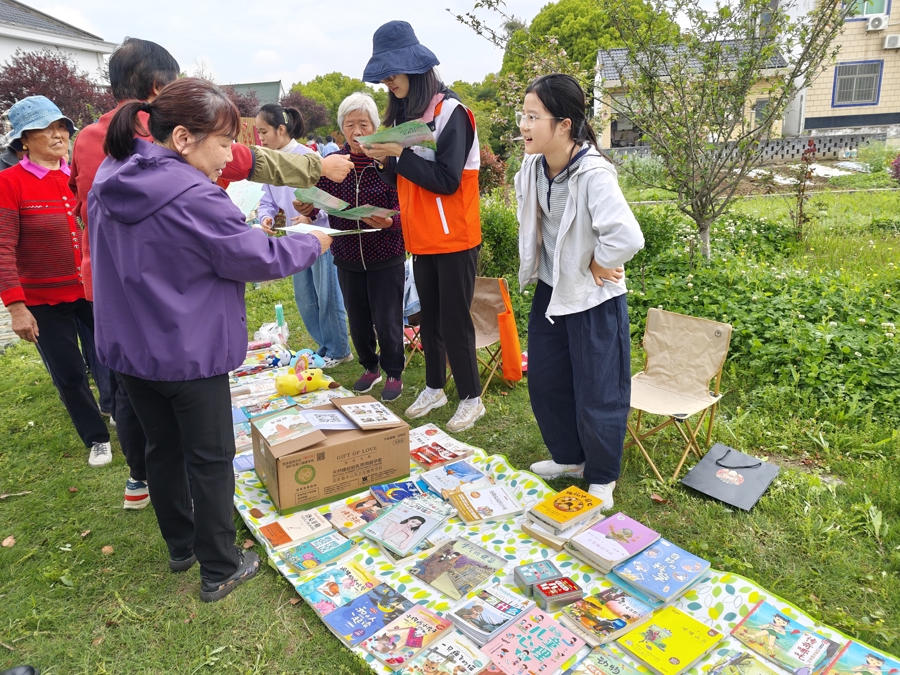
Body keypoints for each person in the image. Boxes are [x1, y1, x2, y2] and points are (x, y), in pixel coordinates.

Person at [88, 78, 341, 602]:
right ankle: (220, 567)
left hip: (131, 351)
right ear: (183, 138)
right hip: (188, 351)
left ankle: (181, 546)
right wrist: (313, 242)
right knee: (209, 458)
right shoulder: (192, 194)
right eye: (224, 143)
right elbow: (254, 256)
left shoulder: (111, 176)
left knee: (162, 450)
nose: (230, 157)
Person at [513, 74, 644, 508]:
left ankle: (602, 475)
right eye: (523, 115)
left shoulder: (593, 174)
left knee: (598, 390)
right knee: (547, 381)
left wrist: (598, 259)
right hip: (552, 292)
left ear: (564, 124)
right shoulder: (533, 168)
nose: (524, 125)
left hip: (592, 298)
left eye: (533, 117)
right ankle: (570, 458)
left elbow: (627, 237)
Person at [362, 20, 485, 432]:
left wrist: (400, 155)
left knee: (454, 320)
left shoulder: (452, 112)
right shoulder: (405, 116)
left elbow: (448, 181)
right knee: (427, 318)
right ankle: (435, 387)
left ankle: (472, 398)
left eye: (391, 73)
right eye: (383, 77)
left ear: (415, 69)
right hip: (421, 236)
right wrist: (385, 161)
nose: (387, 81)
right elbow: (401, 180)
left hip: (455, 237)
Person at [0, 96, 113, 467]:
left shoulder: (80, 175)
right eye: (45, 129)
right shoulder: (9, 182)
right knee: (69, 372)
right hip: (43, 300)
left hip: (90, 289)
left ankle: (115, 408)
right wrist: (16, 307)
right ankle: (96, 437)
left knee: (110, 355)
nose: (57, 134)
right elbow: (3, 247)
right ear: (24, 140)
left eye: (61, 126)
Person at [293, 93, 405, 401]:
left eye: (363, 124)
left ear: (375, 127)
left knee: (387, 318)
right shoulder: (335, 163)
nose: (356, 131)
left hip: (386, 252)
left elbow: (407, 208)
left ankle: (394, 371)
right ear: (341, 128)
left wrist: (390, 222)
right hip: (347, 255)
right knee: (357, 318)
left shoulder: (389, 161)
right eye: (350, 124)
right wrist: (306, 207)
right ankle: (370, 366)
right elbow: (317, 201)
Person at [255, 102, 352, 368]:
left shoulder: (309, 157)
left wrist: (312, 216)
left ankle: (339, 350)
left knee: (327, 295)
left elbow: (329, 199)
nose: (260, 138)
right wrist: (266, 216)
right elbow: (267, 200)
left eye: (263, 131)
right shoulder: (270, 162)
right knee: (305, 297)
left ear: (281, 129)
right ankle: (324, 346)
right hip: (294, 239)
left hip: (320, 236)